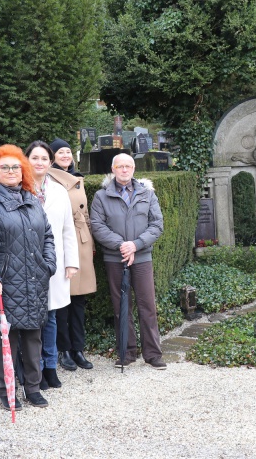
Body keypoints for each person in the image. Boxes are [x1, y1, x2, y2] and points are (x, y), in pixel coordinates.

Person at [0, 144, 56, 409]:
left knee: (33, 337)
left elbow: (47, 236)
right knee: (6, 338)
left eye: (16, 166)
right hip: (2, 283)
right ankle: (7, 391)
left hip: (34, 280)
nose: (11, 171)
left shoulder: (32, 199)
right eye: (4, 167)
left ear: (23, 170)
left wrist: (48, 265)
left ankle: (33, 388)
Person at [91, 153, 166, 369]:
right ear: (113, 169)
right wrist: (122, 245)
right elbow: (97, 225)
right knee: (121, 306)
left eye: (128, 166)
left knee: (147, 305)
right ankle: (126, 352)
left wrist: (136, 244)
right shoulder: (101, 196)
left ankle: (153, 354)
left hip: (142, 257)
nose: (124, 170)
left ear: (133, 169)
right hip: (115, 258)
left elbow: (156, 224)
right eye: (120, 166)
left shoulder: (147, 193)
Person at [25, 141, 79, 389]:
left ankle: (50, 366)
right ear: (26, 160)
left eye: (44, 158)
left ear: (50, 162)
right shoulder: (19, 188)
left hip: (54, 262)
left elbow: (68, 228)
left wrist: (71, 262)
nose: (39, 162)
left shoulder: (58, 191)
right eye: (35, 158)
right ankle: (33, 368)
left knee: (51, 316)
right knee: (30, 319)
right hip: (25, 263)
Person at [48, 137, 98, 371]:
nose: (66, 155)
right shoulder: (49, 178)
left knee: (79, 299)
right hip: (60, 240)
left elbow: (85, 213)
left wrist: (91, 242)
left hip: (81, 240)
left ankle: (78, 348)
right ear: (53, 156)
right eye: (61, 152)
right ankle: (63, 349)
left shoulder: (78, 179)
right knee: (62, 299)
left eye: (68, 152)